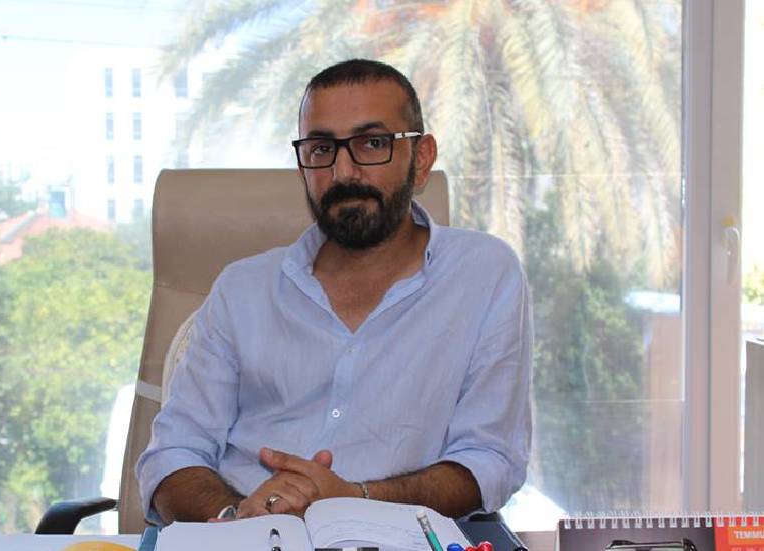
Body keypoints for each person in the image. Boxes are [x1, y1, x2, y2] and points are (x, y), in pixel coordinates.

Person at [136, 58, 532, 526]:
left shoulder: (483, 274)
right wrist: (238, 521)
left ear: (421, 158)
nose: (343, 172)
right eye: (322, 148)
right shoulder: (241, 289)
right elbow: (173, 455)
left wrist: (351, 501)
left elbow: (488, 460)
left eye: (372, 143)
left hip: (400, 537)